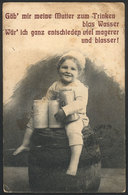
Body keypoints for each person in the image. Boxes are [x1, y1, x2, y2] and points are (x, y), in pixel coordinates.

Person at [13, 50, 89, 176]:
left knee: (73, 130)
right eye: (64, 67)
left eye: (73, 69)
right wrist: (39, 108)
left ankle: (73, 164)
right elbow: (47, 100)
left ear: (79, 72)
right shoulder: (55, 85)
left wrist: (65, 110)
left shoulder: (80, 88)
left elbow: (80, 103)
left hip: (75, 117)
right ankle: (25, 144)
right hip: (56, 116)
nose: (68, 71)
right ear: (58, 69)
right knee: (34, 119)